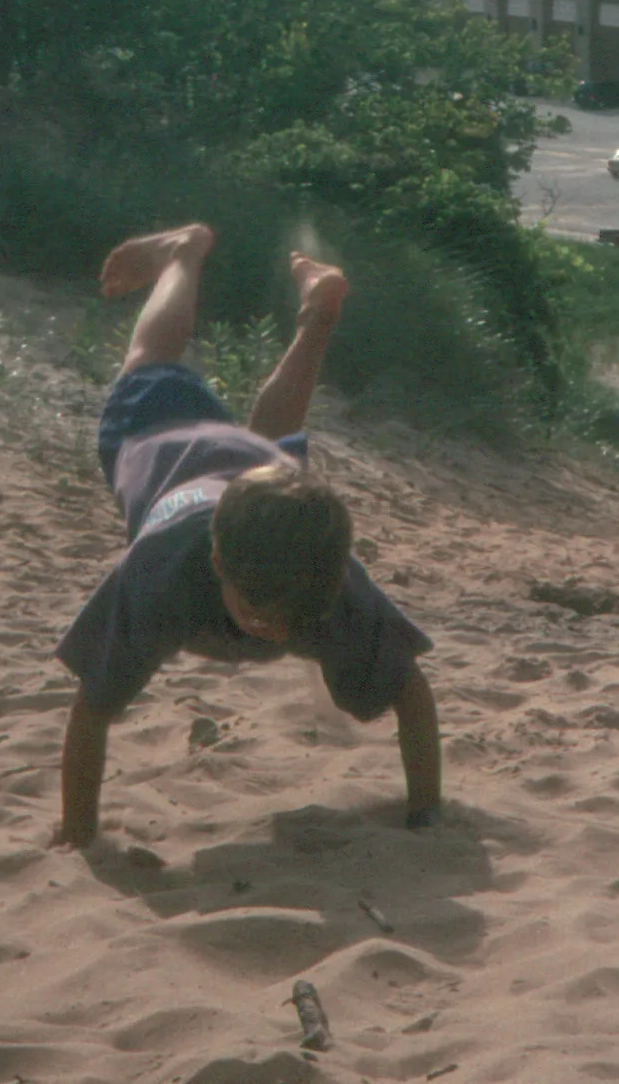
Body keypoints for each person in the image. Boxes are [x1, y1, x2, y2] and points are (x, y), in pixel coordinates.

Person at [52, 224, 442, 849]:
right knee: (150, 360)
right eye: (259, 614)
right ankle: (183, 256)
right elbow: (92, 708)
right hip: (163, 443)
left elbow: (412, 694)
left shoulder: (325, 577)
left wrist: (428, 810)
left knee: (270, 448)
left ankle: (314, 315)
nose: (274, 632)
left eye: (295, 619)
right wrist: (77, 832)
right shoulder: (160, 573)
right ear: (216, 562)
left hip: (257, 472)